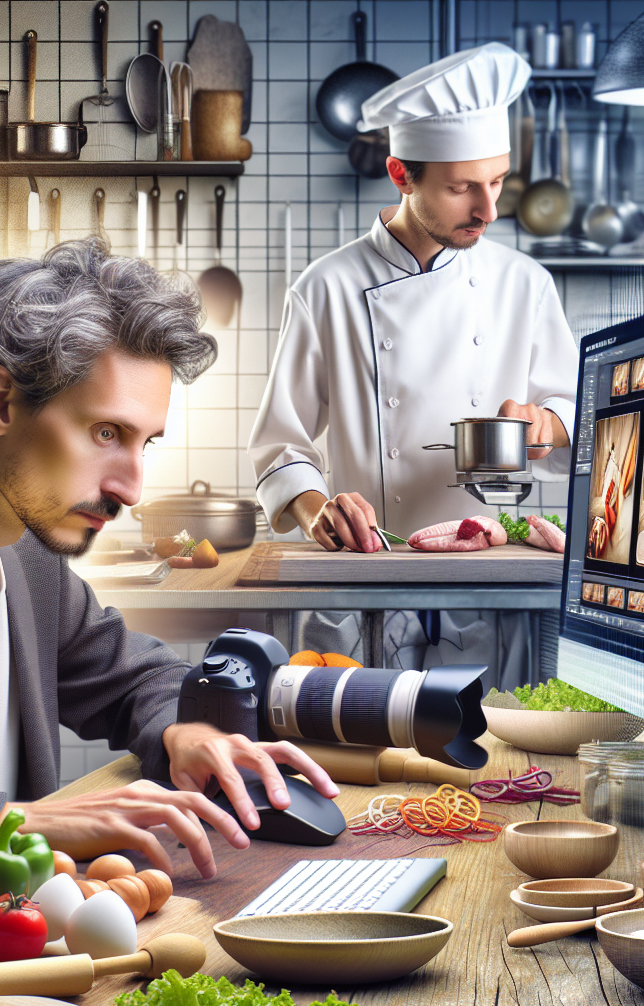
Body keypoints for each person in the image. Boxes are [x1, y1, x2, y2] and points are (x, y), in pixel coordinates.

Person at [0, 239, 338, 920]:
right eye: (105, 433)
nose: (132, 486)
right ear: (0, 400)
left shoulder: (27, 562)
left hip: (7, 963)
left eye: (144, 442)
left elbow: (128, 678)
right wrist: (18, 822)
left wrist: (186, 730)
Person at [248, 43, 579, 680]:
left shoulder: (524, 284)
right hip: (371, 578)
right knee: (367, 757)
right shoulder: (327, 288)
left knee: (494, 762)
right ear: (401, 175)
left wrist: (549, 425)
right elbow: (281, 446)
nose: (487, 210)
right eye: (461, 189)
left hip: (489, 586)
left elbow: (576, 416)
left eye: (497, 182)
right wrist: (317, 509)